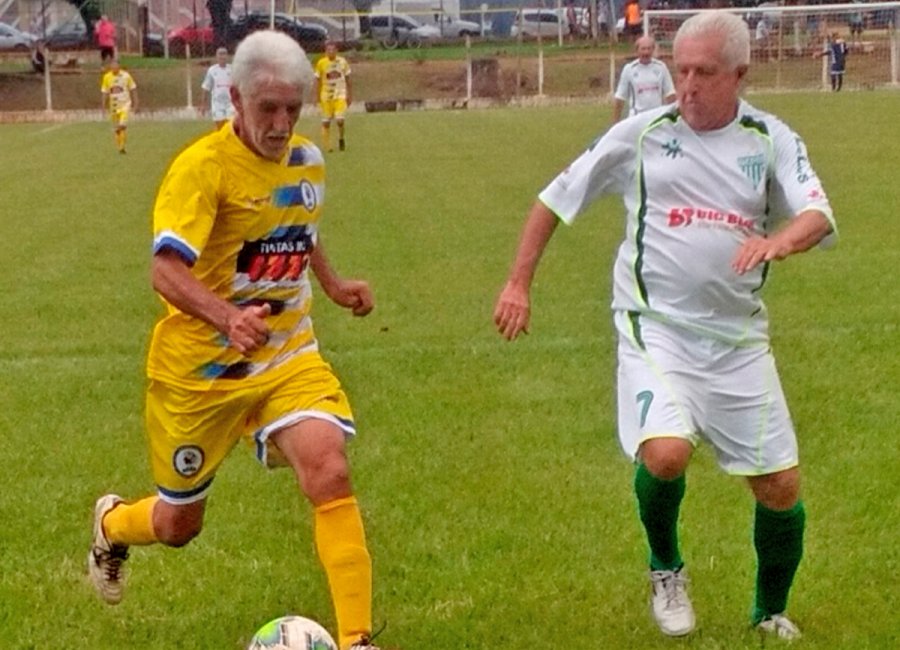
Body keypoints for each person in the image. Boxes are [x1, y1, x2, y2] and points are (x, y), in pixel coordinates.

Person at [494, 10, 836, 641]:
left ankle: (769, 612)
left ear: (740, 74)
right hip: (657, 329)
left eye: (704, 72)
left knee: (780, 485)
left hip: (738, 340)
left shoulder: (771, 137)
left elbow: (816, 211)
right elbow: (554, 199)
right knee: (667, 452)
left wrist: (781, 241)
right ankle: (665, 568)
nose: (687, 84)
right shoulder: (642, 134)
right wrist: (518, 282)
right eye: (681, 70)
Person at [87, 31, 383, 650]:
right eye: (267, 108)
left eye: (291, 109)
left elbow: (297, 225)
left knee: (328, 467)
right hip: (201, 373)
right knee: (177, 525)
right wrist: (226, 317)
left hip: (284, 353)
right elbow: (165, 270)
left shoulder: (307, 160)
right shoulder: (202, 170)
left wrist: (330, 283)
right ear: (236, 99)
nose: (280, 124)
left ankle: (358, 641)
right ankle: (113, 525)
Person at [612, 35, 675, 123]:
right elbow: (620, 97)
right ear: (637, 51)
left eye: (649, 49)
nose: (646, 52)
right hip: (636, 117)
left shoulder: (661, 67)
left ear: (653, 50)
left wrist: (674, 117)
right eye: (643, 49)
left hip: (656, 117)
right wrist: (615, 122)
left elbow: (670, 94)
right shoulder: (629, 69)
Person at [314, 40, 352, 152]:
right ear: (325, 52)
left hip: (340, 93)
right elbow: (317, 80)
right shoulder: (321, 63)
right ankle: (327, 146)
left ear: (336, 51)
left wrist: (349, 94)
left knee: (340, 120)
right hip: (326, 95)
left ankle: (341, 138)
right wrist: (316, 96)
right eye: (328, 50)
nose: (330, 52)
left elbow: (348, 79)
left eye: (332, 50)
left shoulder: (342, 62)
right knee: (326, 122)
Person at [100, 58, 138, 154]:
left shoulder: (126, 76)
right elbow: (105, 92)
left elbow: (133, 88)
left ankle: (121, 142)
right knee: (118, 129)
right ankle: (120, 147)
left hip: (125, 104)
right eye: (112, 66)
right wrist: (103, 106)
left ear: (119, 66)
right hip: (113, 106)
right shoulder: (107, 77)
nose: (114, 68)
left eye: (116, 66)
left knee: (122, 125)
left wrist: (136, 102)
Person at [200, 46, 235, 129]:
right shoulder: (212, 70)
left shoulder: (232, 69)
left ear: (227, 56)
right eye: (220, 54)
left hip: (230, 103)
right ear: (216, 56)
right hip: (217, 103)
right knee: (220, 126)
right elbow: (206, 87)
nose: (222, 56)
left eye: (224, 54)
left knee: (231, 126)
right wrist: (203, 105)